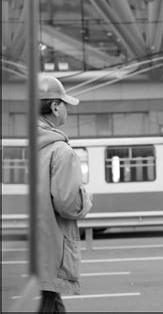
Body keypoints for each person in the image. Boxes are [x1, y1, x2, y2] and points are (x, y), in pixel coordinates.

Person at [37, 75, 93, 313]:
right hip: (52, 247)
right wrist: (86, 201)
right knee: (49, 301)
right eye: (65, 105)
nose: (67, 110)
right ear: (54, 106)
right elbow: (68, 204)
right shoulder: (61, 151)